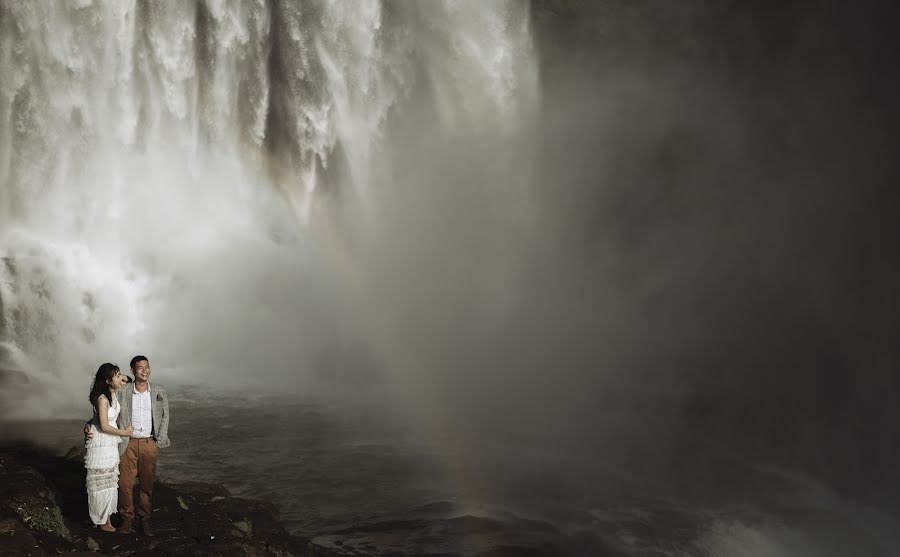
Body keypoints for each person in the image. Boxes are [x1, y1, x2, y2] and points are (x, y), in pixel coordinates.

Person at [85, 354, 170, 536]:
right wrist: (88, 424)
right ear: (132, 370)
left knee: (146, 485)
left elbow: (165, 416)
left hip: (149, 443)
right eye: (140, 367)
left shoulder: (159, 391)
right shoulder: (122, 390)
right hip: (127, 443)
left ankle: (145, 520)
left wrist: (159, 440)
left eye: (147, 367)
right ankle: (127, 520)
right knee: (124, 484)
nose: (145, 370)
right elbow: (102, 412)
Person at [85, 363, 134, 532]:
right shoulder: (103, 399)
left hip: (110, 443)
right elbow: (104, 426)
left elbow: (130, 380)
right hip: (102, 442)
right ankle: (101, 520)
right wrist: (125, 432)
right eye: (116, 375)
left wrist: (119, 376)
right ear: (107, 380)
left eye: (120, 374)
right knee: (101, 482)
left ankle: (104, 518)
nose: (121, 378)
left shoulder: (112, 393)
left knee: (109, 480)